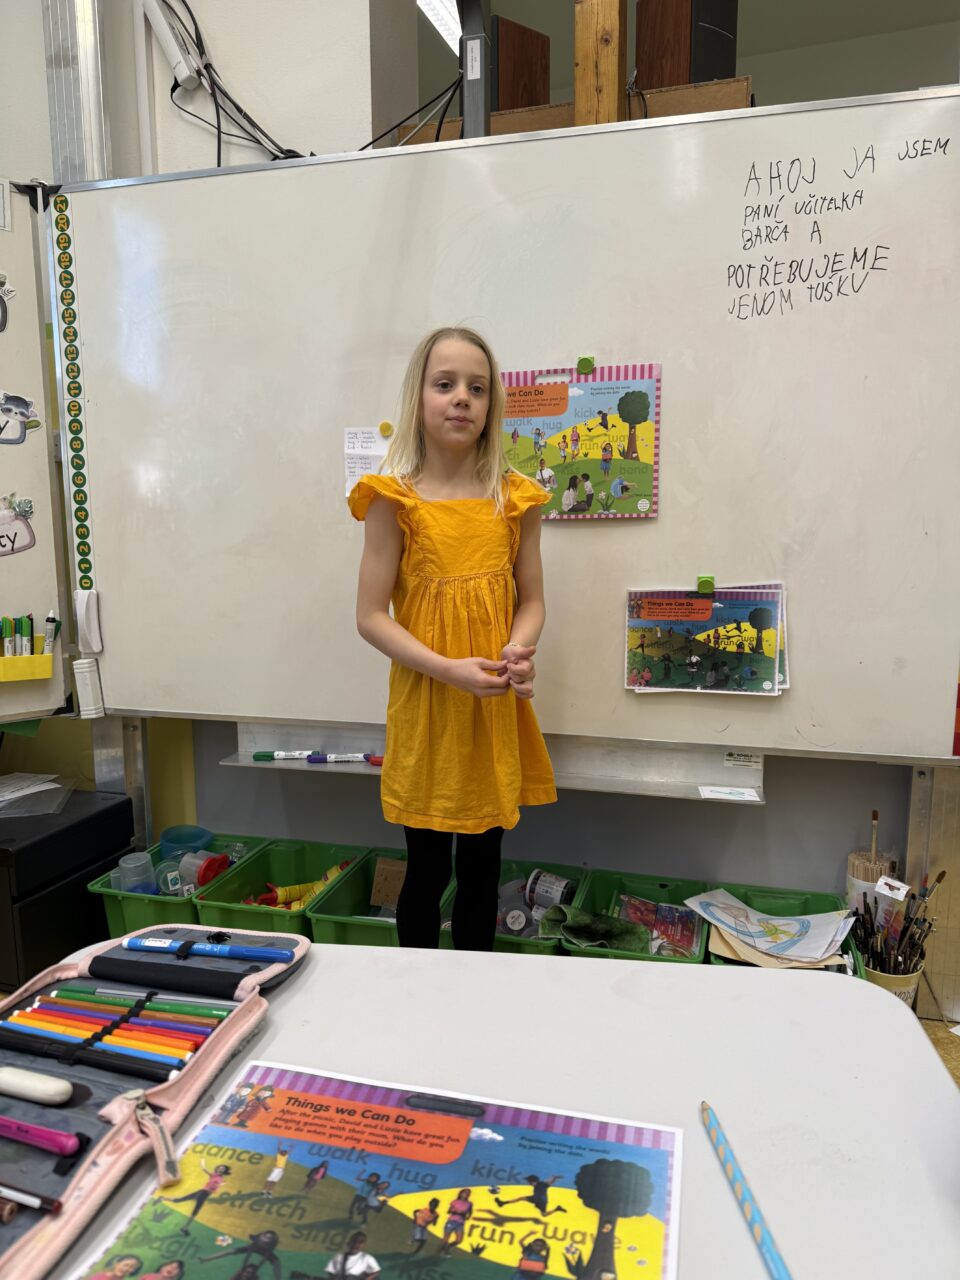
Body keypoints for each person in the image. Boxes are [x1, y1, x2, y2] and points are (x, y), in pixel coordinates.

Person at [350, 327, 556, 951]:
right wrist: (448, 670)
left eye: (477, 387)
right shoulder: (392, 499)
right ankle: (418, 994)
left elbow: (532, 601)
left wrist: (518, 650)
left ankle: (474, 996)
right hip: (428, 712)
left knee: (482, 873)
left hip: (490, 711)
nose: (462, 397)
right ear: (419, 396)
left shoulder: (514, 499)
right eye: (445, 384)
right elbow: (370, 616)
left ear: (492, 405)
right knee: (427, 872)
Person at [158, 1160, 231, 1234]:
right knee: (193, 1211)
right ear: (218, 1169)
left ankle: (162, 1198)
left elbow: (216, 1184)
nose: (220, 1169)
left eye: (223, 1168)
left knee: (180, 1201)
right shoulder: (214, 1175)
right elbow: (204, 1169)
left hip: (202, 1193)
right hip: (203, 1194)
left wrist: (220, 1184)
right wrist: (202, 1162)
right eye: (220, 1167)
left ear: (224, 1171)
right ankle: (184, 1228)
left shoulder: (220, 1178)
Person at [440, 1189, 474, 1254]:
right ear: (461, 1193)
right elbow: (449, 1211)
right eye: (465, 1193)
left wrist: (467, 1216)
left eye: (468, 1193)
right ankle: (442, 1251)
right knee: (446, 1238)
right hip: (452, 1221)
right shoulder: (455, 1201)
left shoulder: (469, 1203)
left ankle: (448, 1247)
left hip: (460, 1223)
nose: (466, 1194)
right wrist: (456, 1212)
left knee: (459, 1240)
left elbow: (470, 1212)